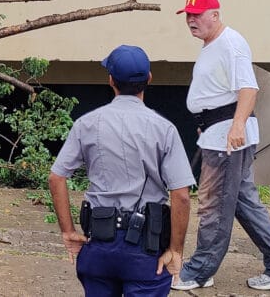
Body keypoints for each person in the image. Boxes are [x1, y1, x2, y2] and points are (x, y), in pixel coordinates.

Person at [172, 0, 270, 291]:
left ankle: (199, 271)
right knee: (244, 204)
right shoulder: (213, 45)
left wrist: (236, 126)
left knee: (213, 206)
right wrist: (210, 125)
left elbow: (248, 89)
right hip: (218, 133)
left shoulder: (231, 44)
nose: (192, 20)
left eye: (198, 14)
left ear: (215, 14)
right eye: (188, 15)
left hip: (228, 138)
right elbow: (219, 93)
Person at [50, 44, 194, 296]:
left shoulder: (87, 124)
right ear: (149, 79)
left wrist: (69, 232)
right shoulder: (165, 129)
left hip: (99, 246)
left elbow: (56, 178)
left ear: (110, 80)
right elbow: (180, 195)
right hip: (146, 250)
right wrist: (175, 250)